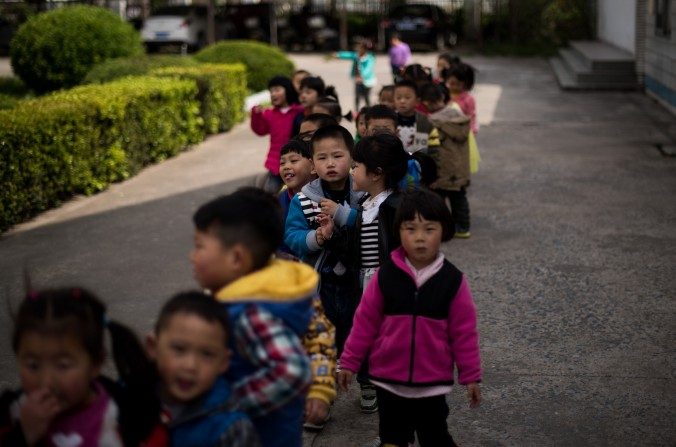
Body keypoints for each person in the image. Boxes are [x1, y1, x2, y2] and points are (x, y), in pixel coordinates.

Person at [337, 189, 482, 447]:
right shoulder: (385, 277)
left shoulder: (452, 281)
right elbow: (364, 325)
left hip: (432, 383)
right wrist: (349, 362)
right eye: (410, 228)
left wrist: (470, 374)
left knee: (435, 437)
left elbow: (464, 333)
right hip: (388, 381)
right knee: (392, 439)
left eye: (429, 229)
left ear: (444, 231)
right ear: (398, 231)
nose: (419, 238)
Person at [190, 188, 316, 447]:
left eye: (199, 246)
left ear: (236, 258)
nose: (192, 256)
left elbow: (291, 370)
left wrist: (229, 405)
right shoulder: (247, 302)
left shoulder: (248, 312)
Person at [0, 287, 166, 447]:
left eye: (62, 366)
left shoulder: (126, 416)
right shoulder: (12, 415)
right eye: (33, 365)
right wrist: (22, 435)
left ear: (95, 363)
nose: (46, 381)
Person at [329, 133, 410, 414]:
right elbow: (356, 250)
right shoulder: (365, 204)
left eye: (357, 166)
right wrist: (332, 237)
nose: (352, 170)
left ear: (376, 174)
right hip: (365, 284)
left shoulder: (395, 208)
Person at [284, 125, 363, 355]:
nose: (330, 163)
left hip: (355, 275)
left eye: (337, 156)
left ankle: (359, 372)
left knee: (356, 324)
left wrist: (343, 214)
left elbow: (371, 226)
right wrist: (316, 237)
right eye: (322, 157)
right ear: (312, 164)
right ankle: (325, 371)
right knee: (322, 327)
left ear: (352, 158)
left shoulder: (362, 192)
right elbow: (292, 235)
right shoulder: (303, 199)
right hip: (321, 278)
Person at [275, 139, 338, 432]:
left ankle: (326, 391)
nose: (287, 167)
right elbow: (281, 239)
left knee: (327, 333)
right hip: (294, 281)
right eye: (283, 162)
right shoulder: (279, 202)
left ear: (312, 167)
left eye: (294, 160)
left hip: (329, 277)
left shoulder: (325, 197)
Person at [147, 291, 260, 447]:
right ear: (152, 347)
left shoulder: (231, 428)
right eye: (179, 349)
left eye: (207, 354)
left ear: (223, 362)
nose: (190, 366)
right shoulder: (127, 401)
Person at [420, 83, 472, 238]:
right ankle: (463, 227)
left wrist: (431, 174)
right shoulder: (458, 116)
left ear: (426, 102)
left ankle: (441, 228)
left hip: (442, 169)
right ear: (442, 97)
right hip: (459, 169)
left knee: (437, 201)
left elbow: (432, 150)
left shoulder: (432, 122)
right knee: (459, 198)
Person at [251, 76, 305, 193]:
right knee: (270, 193)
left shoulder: (299, 112)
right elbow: (260, 130)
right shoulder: (269, 113)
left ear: (288, 90)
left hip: (297, 161)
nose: (273, 94)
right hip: (276, 164)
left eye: (277, 90)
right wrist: (256, 116)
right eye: (271, 91)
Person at [394, 80, 438, 154]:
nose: (402, 101)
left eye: (407, 98)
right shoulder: (391, 120)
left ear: (417, 101)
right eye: (398, 98)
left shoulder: (426, 121)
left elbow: (434, 147)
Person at [335, 41, 377, 112]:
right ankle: (356, 112)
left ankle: (369, 112)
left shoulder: (369, 58)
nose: (358, 50)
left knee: (366, 97)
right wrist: (339, 55)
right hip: (358, 80)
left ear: (364, 49)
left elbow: (368, 69)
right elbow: (349, 55)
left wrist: (362, 76)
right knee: (357, 97)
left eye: (360, 48)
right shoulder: (357, 56)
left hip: (367, 81)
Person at [445, 62, 478, 135]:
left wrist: (472, 131)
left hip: (461, 133)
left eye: (458, 84)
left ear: (466, 84)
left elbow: (471, 117)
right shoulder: (443, 95)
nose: (453, 87)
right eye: (451, 83)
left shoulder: (468, 99)